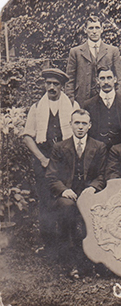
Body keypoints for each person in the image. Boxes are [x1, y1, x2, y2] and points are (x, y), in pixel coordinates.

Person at [45, 109, 107, 277]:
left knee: (98, 209)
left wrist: (93, 187)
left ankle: (97, 260)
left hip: (90, 194)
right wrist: (64, 190)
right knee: (67, 208)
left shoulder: (99, 146)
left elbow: (102, 175)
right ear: (71, 125)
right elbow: (51, 176)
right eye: (77, 123)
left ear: (90, 126)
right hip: (69, 195)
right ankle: (74, 261)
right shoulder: (60, 147)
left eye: (84, 123)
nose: (80, 127)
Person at [23, 68, 79, 246]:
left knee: (66, 198)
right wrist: (41, 158)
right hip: (44, 158)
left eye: (56, 84)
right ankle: (48, 242)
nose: (52, 87)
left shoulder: (72, 106)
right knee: (45, 199)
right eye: (49, 83)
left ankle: (67, 239)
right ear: (44, 84)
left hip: (66, 159)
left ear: (62, 87)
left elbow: (79, 131)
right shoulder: (37, 107)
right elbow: (27, 136)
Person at [66, 15, 121, 105]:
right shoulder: (76, 52)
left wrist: (120, 101)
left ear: (102, 29)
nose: (94, 31)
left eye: (97, 28)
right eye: (91, 28)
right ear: (85, 30)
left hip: (106, 99)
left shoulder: (113, 51)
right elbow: (69, 80)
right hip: (82, 99)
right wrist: (71, 102)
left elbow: (120, 79)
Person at [83, 66, 121, 150]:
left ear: (115, 79)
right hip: (97, 151)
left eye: (109, 78)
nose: (106, 82)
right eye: (102, 78)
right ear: (97, 80)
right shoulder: (89, 104)